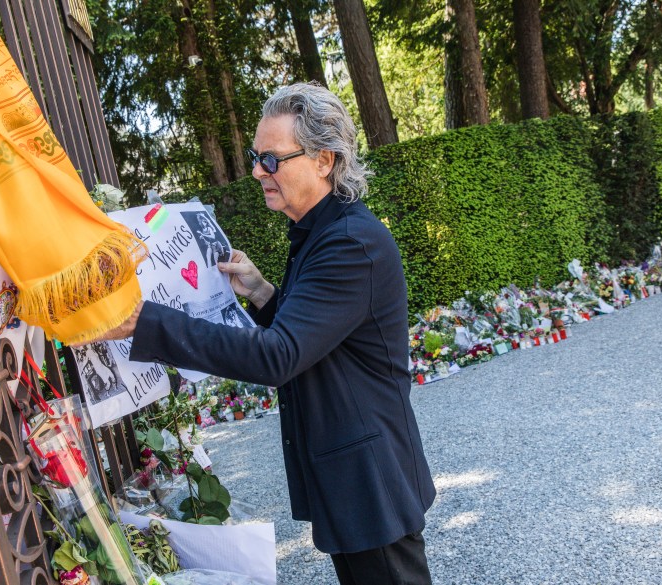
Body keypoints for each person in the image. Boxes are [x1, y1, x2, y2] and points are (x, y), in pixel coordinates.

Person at [93, 82, 436, 585]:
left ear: (323, 161)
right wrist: (262, 293)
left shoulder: (348, 243)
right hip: (356, 471)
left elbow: (278, 356)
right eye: (257, 157)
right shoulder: (323, 231)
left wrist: (148, 321)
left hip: (370, 477)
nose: (257, 171)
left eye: (271, 159)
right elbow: (323, 338)